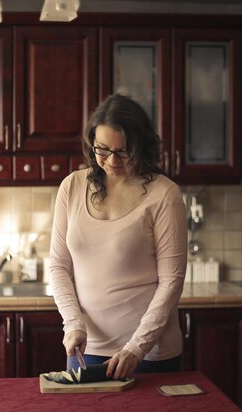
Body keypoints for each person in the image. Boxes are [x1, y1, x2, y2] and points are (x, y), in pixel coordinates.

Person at [48, 93, 188, 380]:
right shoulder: (72, 186)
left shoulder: (164, 194)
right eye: (102, 149)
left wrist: (137, 347)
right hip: (85, 348)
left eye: (123, 151)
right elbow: (58, 265)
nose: (112, 161)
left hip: (148, 354)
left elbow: (171, 281)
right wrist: (73, 324)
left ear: (141, 146)